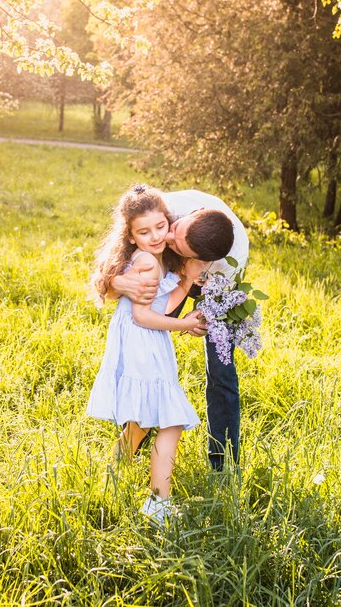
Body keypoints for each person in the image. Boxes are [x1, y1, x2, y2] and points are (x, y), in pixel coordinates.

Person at [87, 185, 205, 524]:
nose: (154, 236)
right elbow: (144, 316)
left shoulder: (151, 259)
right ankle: (158, 504)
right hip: (142, 340)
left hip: (143, 341)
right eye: (143, 231)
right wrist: (183, 324)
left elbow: (157, 304)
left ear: (168, 221)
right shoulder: (147, 264)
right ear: (132, 236)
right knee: (171, 420)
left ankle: (109, 478)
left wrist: (184, 284)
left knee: (139, 424)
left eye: (159, 226)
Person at [111, 189, 249, 471]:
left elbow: (205, 310)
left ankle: (222, 464)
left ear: (199, 259)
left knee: (222, 368)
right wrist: (117, 282)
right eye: (173, 229)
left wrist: (202, 319)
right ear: (191, 213)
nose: (166, 237)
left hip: (211, 282)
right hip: (170, 268)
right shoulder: (165, 212)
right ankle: (134, 439)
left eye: (175, 242)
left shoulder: (228, 263)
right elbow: (116, 256)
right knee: (147, 351)